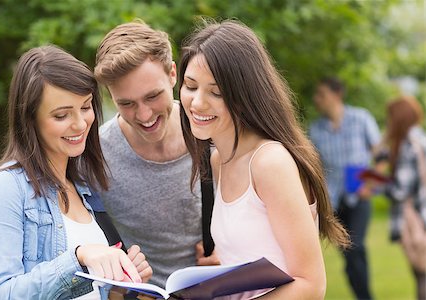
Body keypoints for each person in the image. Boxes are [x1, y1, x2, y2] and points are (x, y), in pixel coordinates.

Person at [178, 20, 349, 299]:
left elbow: (311, 284)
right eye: (190, 86)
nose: (197, 103)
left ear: (244, 95)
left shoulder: (269, 163)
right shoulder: (220, 159)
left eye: (216, 92)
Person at [0, 45, 152, 300]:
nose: (80, 124)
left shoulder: (84, 186)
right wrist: (78, 258)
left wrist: (122, 286)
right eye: (61, 115)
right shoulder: (7, 187)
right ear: (30, 118)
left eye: (85, 107)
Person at [94, 21, 218, 288]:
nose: (144, 115)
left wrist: (232, 253)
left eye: (152, 96)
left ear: (173, 74)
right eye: (126, 103)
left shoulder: (214, 135)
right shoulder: (95, 158)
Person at [309, 77, 381, 299]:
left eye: (321, 94)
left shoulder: (361, 118)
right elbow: (315, 168)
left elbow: (381, 156)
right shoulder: (315, 129)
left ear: (337, 94)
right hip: (332, 202)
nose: (316, 99)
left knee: (356, 247)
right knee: (349, 253)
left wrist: (369, 186)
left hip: (359, 196)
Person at [383, 96, 426, 300]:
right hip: (421, 213)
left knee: (422, 275)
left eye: (390, 117)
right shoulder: (420, 138)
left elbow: (400, 190)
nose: (388, 122)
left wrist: (376, 183)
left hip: (415, 219)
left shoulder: (409, 145)